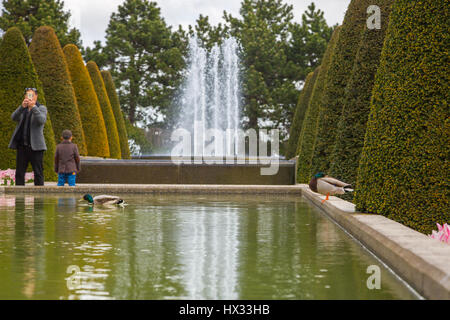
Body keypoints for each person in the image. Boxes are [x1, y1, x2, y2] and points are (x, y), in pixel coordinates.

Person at [9, 88, 48, 186]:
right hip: (22, 146)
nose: (29, 97)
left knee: (38, 172)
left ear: (36, 96)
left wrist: (34, 107)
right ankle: (19, 199)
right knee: (19, 173)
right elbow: (13, 117)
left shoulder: (41, 108)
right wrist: (21, 107)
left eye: (31, 95)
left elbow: (41, 120)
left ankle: (39, 198)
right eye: (27, 95)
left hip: (36, 147)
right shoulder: (23, 109)